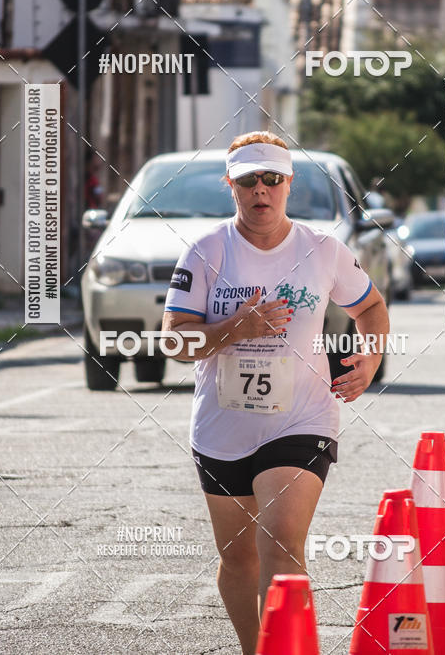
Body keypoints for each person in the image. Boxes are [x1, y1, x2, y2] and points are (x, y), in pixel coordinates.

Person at [162, 131, 389, 655]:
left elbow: (370, 306)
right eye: (248, 180)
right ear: (231, 186)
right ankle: (255, 648)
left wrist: (370, 357)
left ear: (289, 184)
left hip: (302, 419)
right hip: (223, 426)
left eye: (271, 179)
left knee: (283, 543)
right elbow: (174, 339)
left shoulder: (323, 248)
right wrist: (236, 330)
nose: (260, 190)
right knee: (239, 557)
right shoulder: (206, 251)